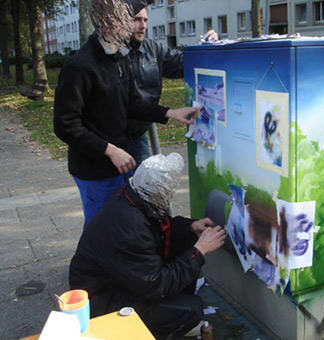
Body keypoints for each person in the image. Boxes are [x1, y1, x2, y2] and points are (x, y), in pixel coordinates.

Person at [53, 0, 201, 226]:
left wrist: (170, 113)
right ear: (107, 22)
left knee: (125, 223)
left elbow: (131, 104)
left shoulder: (119, 58)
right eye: (131, 20)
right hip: (94, 169)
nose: (137, 26)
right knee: (102, 228)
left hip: (120, 160)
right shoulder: (79, 66)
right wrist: (110, 150)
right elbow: (65, 125)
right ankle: (92, 262)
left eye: (141, 20)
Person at [69, 152, 226, 340]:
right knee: (191, 309)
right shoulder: (130, 228)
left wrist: (190, 226)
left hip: (119, 278)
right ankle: (148, 332)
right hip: (101, 301)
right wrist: (200, 250)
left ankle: (172, 311)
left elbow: (157, 226)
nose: (170, 195)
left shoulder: (132, 195)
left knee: (187, 239)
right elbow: (157, 285)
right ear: (154, 191)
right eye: (166, 191)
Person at [127, 7, 218, 165]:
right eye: (137, 19)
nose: (142, 25)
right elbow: (124, 103)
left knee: (144, 187)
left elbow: (183, 64)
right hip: (111, 138)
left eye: (145, 20)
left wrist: (208, 47)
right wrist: (169, 112)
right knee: (115, 188)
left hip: (137, 135)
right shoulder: (113, 54)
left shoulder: (152, 50)